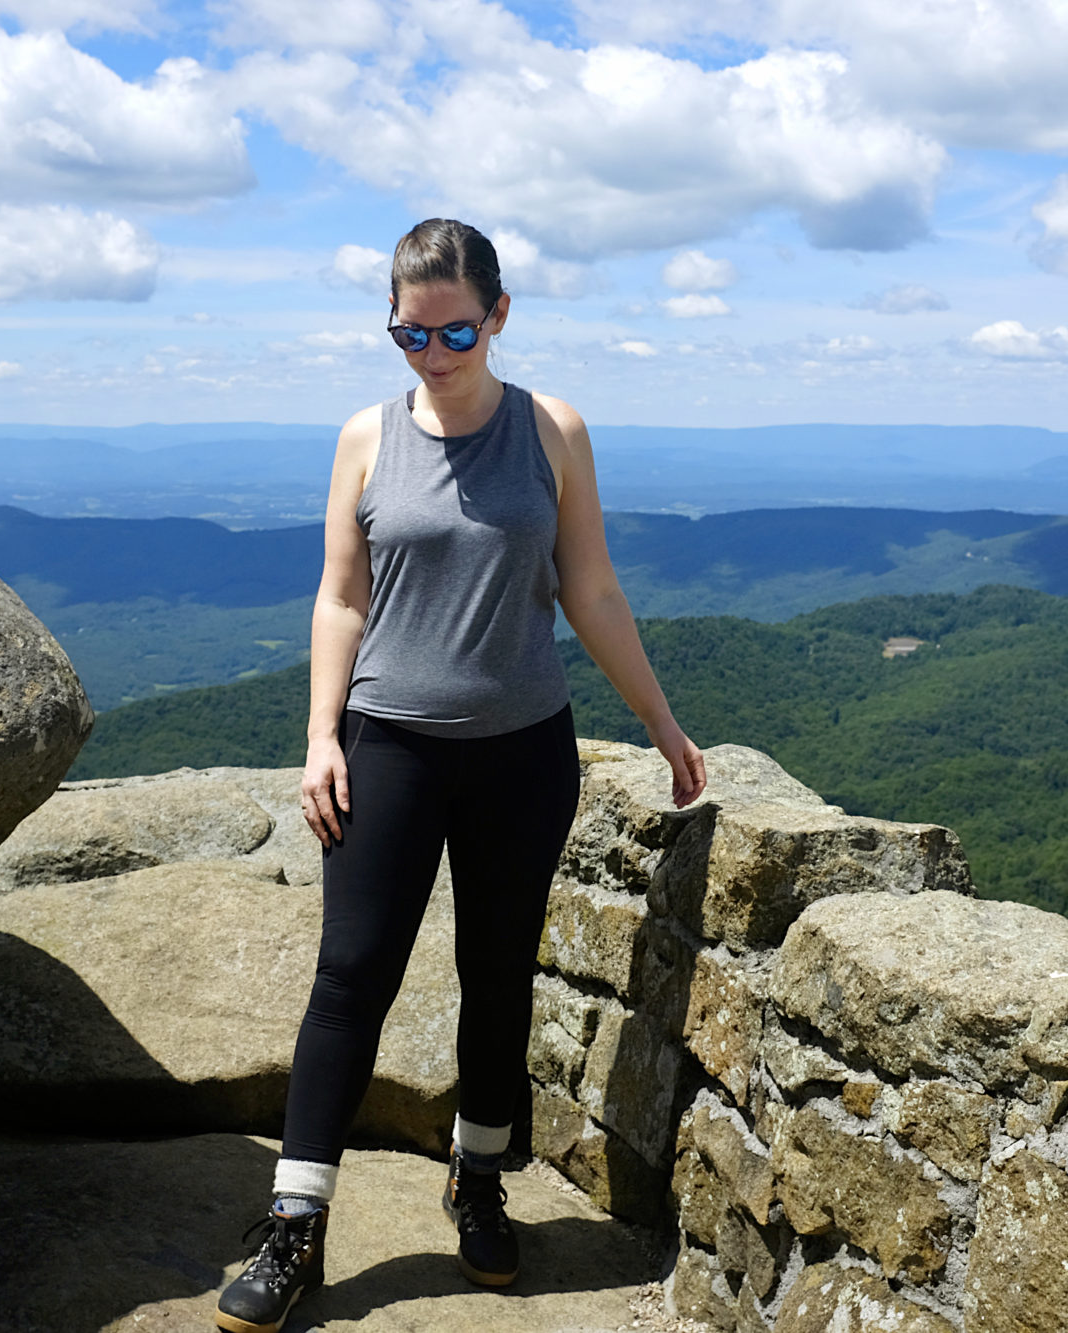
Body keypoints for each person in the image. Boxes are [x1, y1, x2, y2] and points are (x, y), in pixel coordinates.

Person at [214, 218, 708, 1333]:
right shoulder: (363, 437)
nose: (430, 353)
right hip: (389, 742)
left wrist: (663, 725)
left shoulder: (552, 431)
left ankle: (477, 1181)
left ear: (497, 313)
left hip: (524, 749)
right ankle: (296, 1224)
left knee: (497, 976)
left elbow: (590, 591)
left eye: (451, 329)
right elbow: (341, 596)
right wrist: (320, 736)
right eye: (406, 332)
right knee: (351, 975)